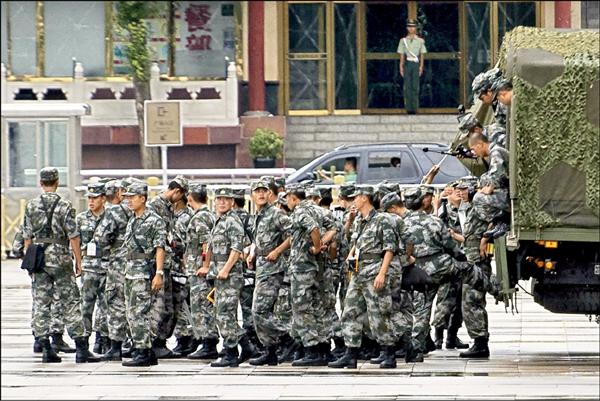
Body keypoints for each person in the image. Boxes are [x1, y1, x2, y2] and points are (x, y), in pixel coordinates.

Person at [22, 167, 100, 363]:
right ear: (57, 182)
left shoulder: (31, 206)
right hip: (61, 258)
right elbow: (73, 236)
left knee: (41, 302)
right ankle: (81, 348)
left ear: (41, 183)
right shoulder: (65, 206)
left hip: (39, 259)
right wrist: (78, 262)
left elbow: (27, 238)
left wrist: (30, 261)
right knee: (71, 301)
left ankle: (46, 346)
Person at [328, 186, 397, 369]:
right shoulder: (360, 220)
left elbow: (389, 248)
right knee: (349, 311)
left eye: (356, 197)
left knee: (379, 313)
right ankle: (351, 353)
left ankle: (389, 351)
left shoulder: (383, 220)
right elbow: (356, 243)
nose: (353, 201)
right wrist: (350, 258)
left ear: (365, 198)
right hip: (358, 273)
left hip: (374, 271)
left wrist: (382, 273)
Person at [199, 187, 256, 367]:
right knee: (222, 313)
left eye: (226, 199)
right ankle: (245, 346)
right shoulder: (219, 221)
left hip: (230, 275)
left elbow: (236, 249)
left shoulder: (233, 221)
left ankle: (231, 352)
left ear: (232, 202)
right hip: (218, 272)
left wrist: (225, 269)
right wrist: (207, 266)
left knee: (225, 313)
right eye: (219, 199)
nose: (222, 202)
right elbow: (210, 247)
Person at [121, 182, 167, 367]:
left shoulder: (154, 220)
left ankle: (143, 351)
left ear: (143, 198)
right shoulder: (132, 219)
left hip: (143, 272)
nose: (129, 201)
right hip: (131, 271)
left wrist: (159, 272)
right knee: (132, 313)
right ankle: (143, 349)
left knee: (140, 312)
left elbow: (160, 248)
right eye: (128, 198)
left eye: (133, 197)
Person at [247, 179, 293, 366]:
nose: (261, 194)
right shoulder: (257, 216)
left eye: (264, 191)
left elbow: (294, 234)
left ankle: (288, 336)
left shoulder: (276, 214)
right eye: (257, 191)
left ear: (269, 194)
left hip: (273, 268)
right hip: (261, 266)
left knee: (259, 310)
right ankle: (271, 351)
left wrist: (278, 251)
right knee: (260, 311)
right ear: (252, 195)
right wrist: (252, 253)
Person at [95, 179, 133, 361]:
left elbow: (101, 237)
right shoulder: (145, 210)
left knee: (116, 303)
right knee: (136, 305)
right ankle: (139, 345)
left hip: (118, 264)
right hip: (139, 264)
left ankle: (116, 347)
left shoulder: (114, 212)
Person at [185, 184, 219, 360]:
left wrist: (205, 265)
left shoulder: (200, 218)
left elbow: (207, 243)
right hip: (198, 267)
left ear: (190, 198)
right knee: (204, 305)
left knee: (201, 306)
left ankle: (208, 343)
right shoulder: (208, 215)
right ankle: (207, 341)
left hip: (200, 269)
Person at [76, 182, 110, 356]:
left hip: (106, 267)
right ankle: (83, 342)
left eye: (95, 198)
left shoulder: (110, 217)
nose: (91, 201)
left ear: (103, 199)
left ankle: (103, 339)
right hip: (89, 268)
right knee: (86, 306)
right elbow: (75, 243)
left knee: (106, 307)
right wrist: (78, 262)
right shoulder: (81, 218)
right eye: (89, 198)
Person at [398, 18, 427, 114]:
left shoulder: (420, 41)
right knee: (407, 86)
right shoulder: (403, 41)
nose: (411, 29)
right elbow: (402, 54)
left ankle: (414, 108)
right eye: (409, 26)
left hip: (415, 64)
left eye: (413, 26)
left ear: (416, 28)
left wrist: (421, 66)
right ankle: (408, 108)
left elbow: (422, 54)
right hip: (407, 63)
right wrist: (401, 66)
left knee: (415, 86)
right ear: (407, 28)